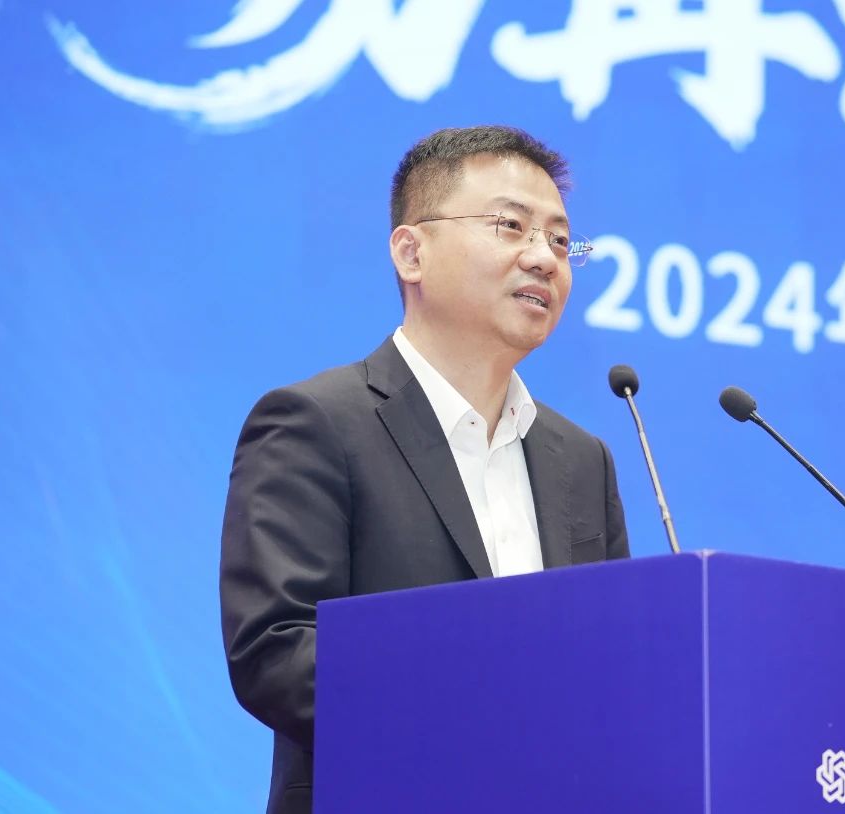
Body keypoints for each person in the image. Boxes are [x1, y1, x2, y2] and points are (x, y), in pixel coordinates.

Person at [219, 125, 631, 814]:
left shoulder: (582, 460)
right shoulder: (317, 423)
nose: (544, 258)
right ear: (412, 252)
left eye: (561, 242)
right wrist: (495, 707)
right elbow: (277, 653)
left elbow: (614, 668)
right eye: (511, 226)